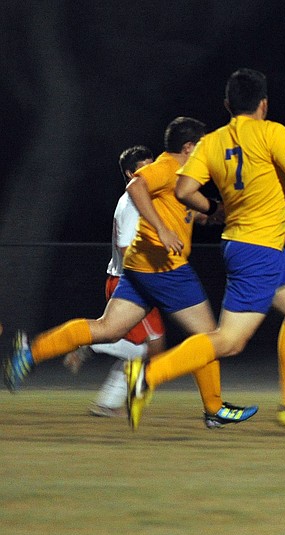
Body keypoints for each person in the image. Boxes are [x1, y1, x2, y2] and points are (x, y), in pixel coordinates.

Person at [124, 68, 285, 432]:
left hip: (253, 246)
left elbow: (183, 191)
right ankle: (148, 374)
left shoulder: (212, 141)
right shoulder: (272, 131)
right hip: (258, 250)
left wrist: (214, 208)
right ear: (264, 103)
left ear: (228, 104)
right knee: (228, 341)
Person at [4, 117, 258, 429]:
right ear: (189, 147)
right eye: (202, 146)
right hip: (164, 268)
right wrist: (163, 231)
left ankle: (31, 352)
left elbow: (186, 209)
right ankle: (212, 408)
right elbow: (136, 185)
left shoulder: (182, 177)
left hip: (139, 268)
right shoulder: (167, 168)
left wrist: (215, 213)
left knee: (107, 328)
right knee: (210, 338)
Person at [62, 145, 167, 418]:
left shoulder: (145, 198)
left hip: (130, 280)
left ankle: (107, 403)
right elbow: (125, 249)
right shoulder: (132, 202)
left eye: (153, 164)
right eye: (146, 165)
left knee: (143, 349)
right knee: (151, 347)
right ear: (132, 173)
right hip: (129, 282)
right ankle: (90, 342)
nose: (153, 170)